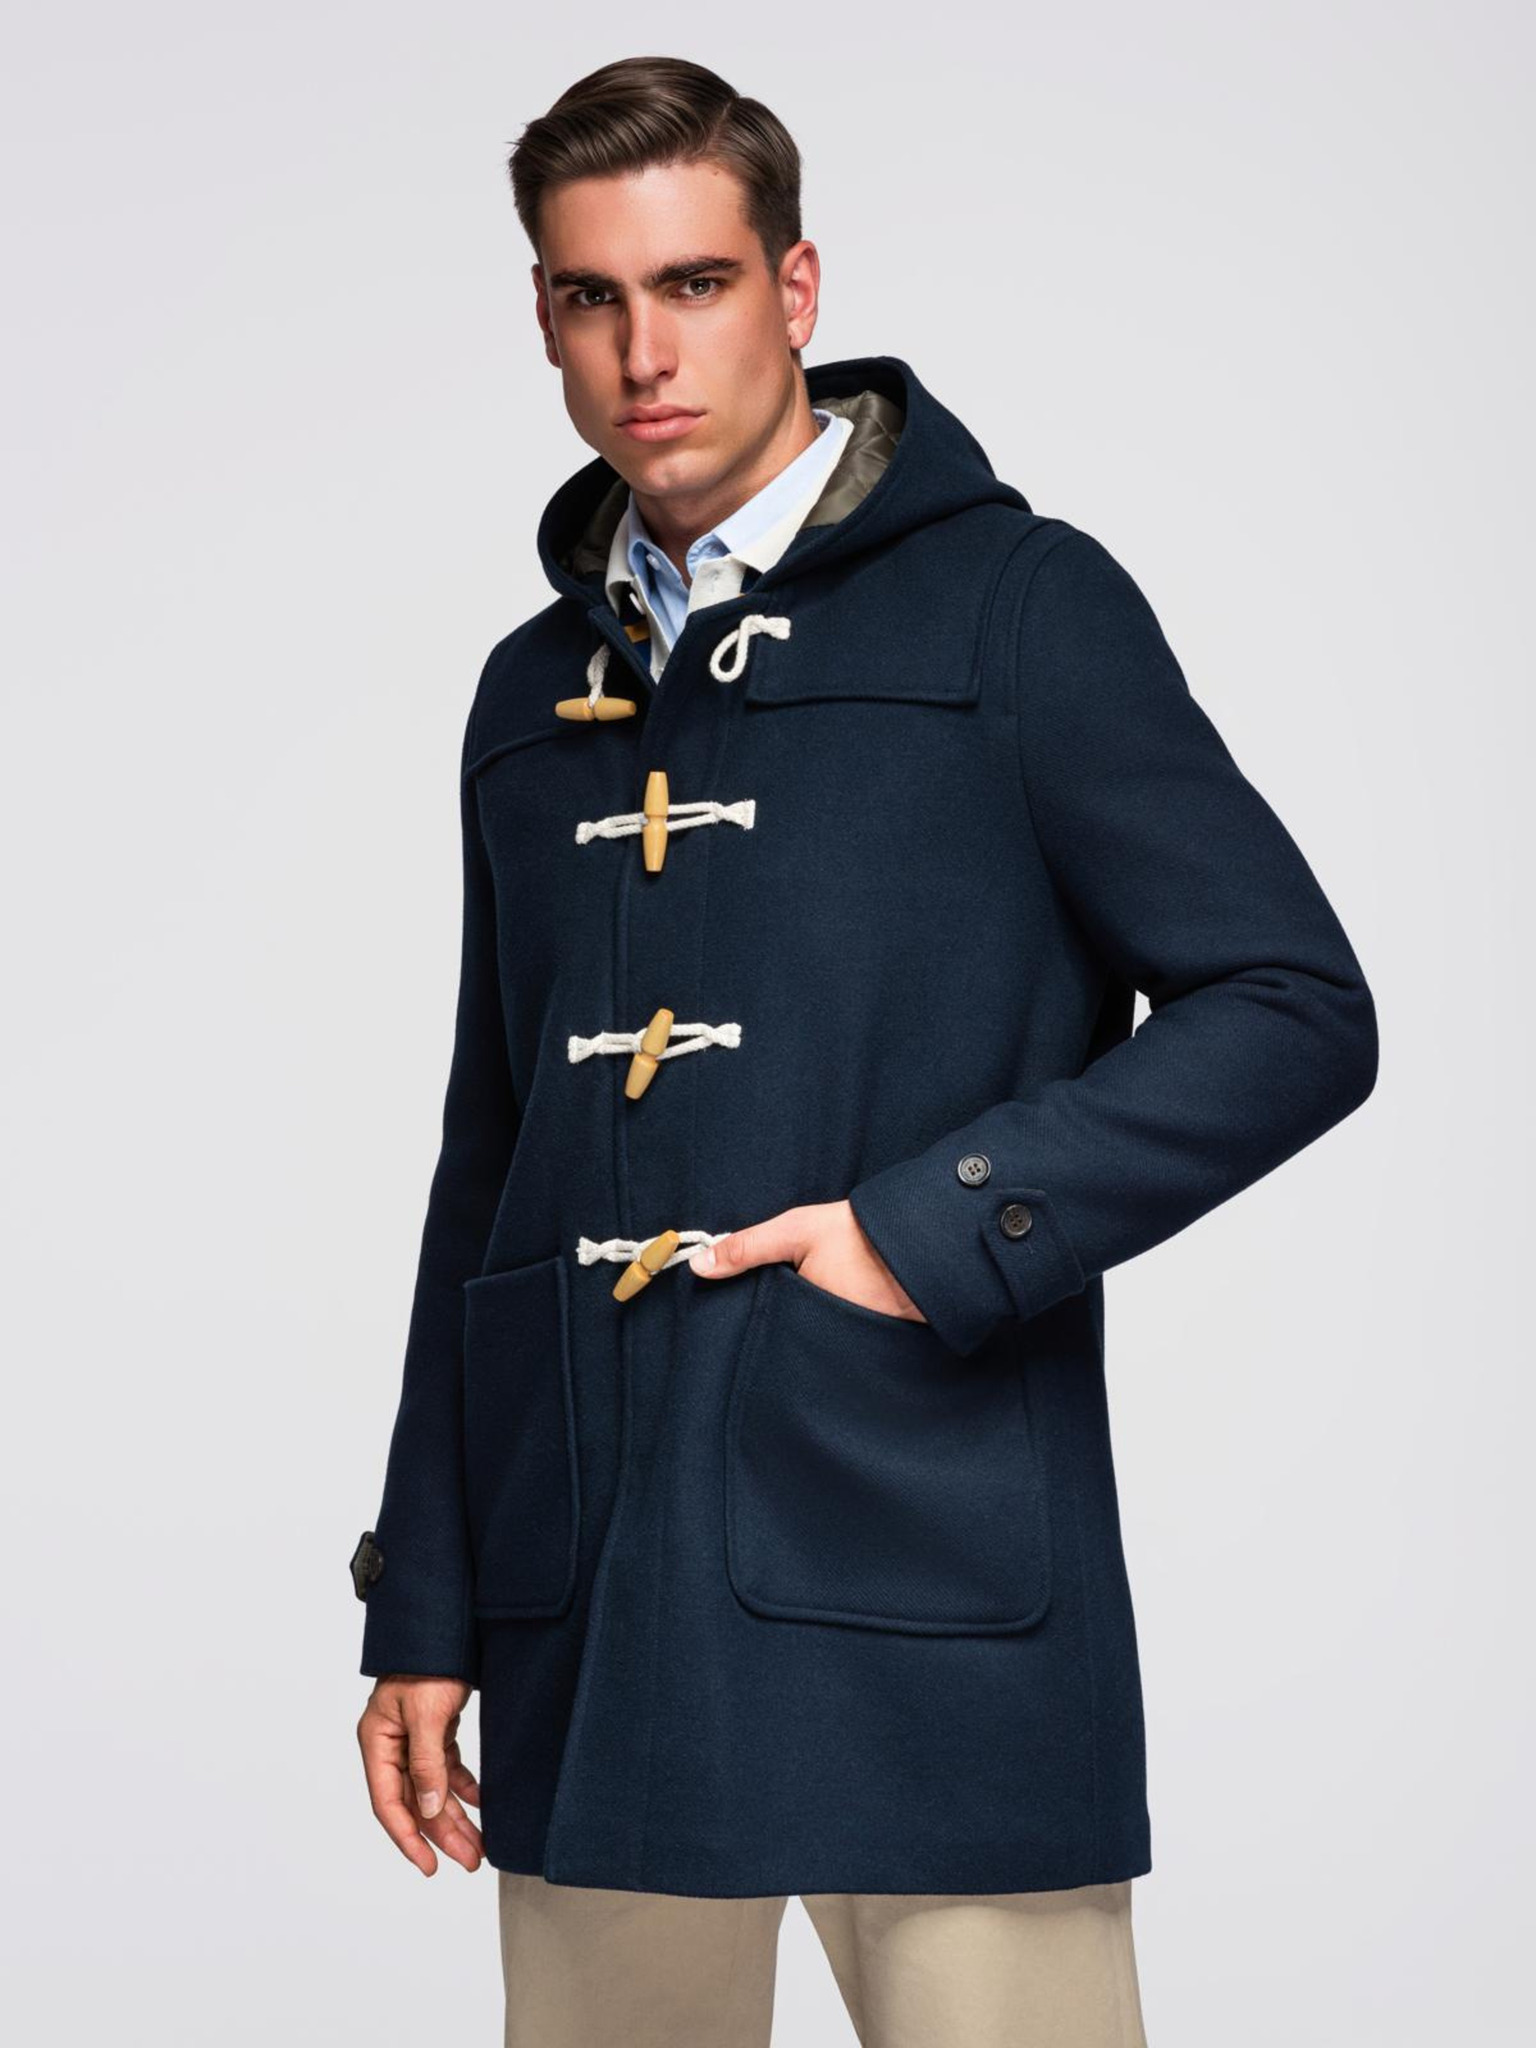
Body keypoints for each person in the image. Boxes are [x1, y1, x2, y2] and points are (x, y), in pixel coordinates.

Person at [351, 53, 1378, 2048]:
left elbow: (1293, 1004)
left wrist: (930, 1231)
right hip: (593, 1602)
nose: (647, 352)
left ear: (798, 287)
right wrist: (434, 1598)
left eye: (698, 283)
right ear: (544, 316)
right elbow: (495, 1159)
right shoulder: (528, 695)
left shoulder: (1020, 608)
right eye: (593, 297)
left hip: (928, 1568)